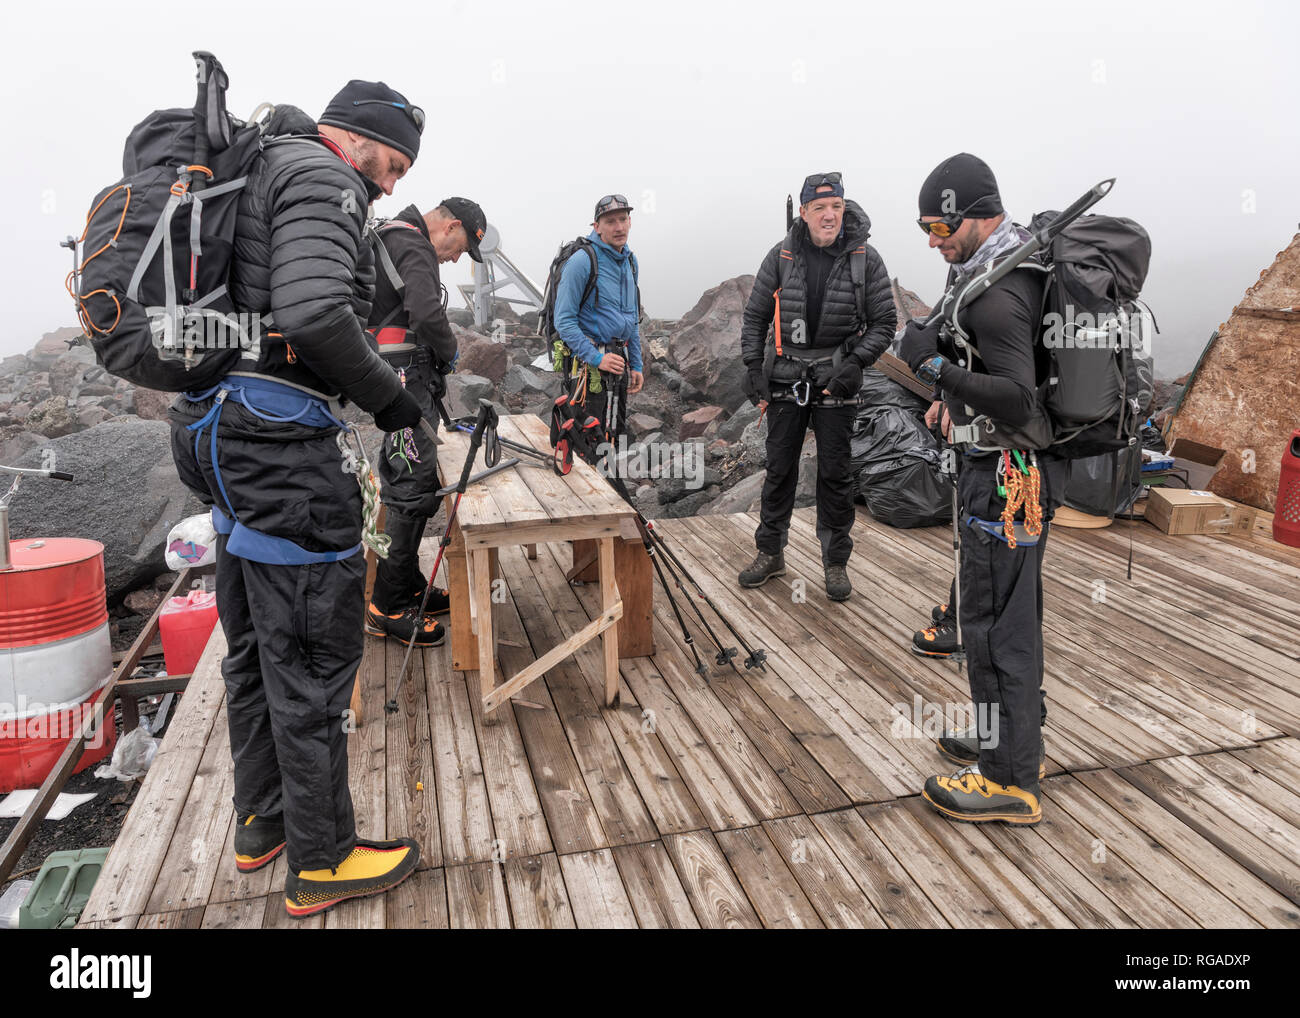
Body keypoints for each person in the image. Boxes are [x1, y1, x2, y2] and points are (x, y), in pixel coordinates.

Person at [168, 80, 428, 916]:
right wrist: (392, 400)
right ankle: (321, 859)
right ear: (354, 138)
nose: (390, 185)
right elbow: (315, 313)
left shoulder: (260, 168)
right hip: (278, 444)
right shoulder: (323, 176)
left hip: (215, 431)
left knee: (252, 647)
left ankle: (263, 822)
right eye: (391, 164)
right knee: (314, 658)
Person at [899, 152, 1066, 825]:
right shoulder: (1006, 266)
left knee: (993, 623)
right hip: (1018, 473)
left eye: (941, 227)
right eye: (925, 230)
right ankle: (1015, 743)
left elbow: (1019, 398)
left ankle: (1007, 779)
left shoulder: (997, 295)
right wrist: (952, 399)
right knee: (1011, 613)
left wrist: (937, 368)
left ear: (976, 215)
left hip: (1006, 477)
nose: (934, 241)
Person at [737, 172, 896, 601]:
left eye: (837, 207)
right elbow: (754, 316)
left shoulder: (866, 258)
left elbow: (885, 323)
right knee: (780, 469)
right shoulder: (782, 255)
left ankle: (835, 564)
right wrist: (754, 365)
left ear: (844, 209)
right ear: (804, 212)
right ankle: (770, 554)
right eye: (820, 208)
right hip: (787, 376)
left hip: (837, 378)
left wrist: (856, 364)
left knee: (836, 474)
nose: (830, 216)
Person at [365, 197, 488, 647]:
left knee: (407, 478)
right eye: (460, 248)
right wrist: (451, 350)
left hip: (397, 381)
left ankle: (409, 583)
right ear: (452, 225)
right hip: (405, 383)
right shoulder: (411, 243)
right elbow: (424, 311)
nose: (456, 258)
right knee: (412, 487)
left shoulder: (394, 236)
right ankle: (386, 605)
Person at [552, 194, 644, 445]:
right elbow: (564, 321)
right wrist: (597, 359)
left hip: (618, 364)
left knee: (614, 436)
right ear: (596, 227)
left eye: (623, 219)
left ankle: (609, 482)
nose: (619, 227)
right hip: (588, 369)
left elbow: (631, 318)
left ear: (630, 222)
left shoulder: (630, 261)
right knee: (586, 440)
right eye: (611, 221)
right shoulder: (582, 261)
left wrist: (636, 364)